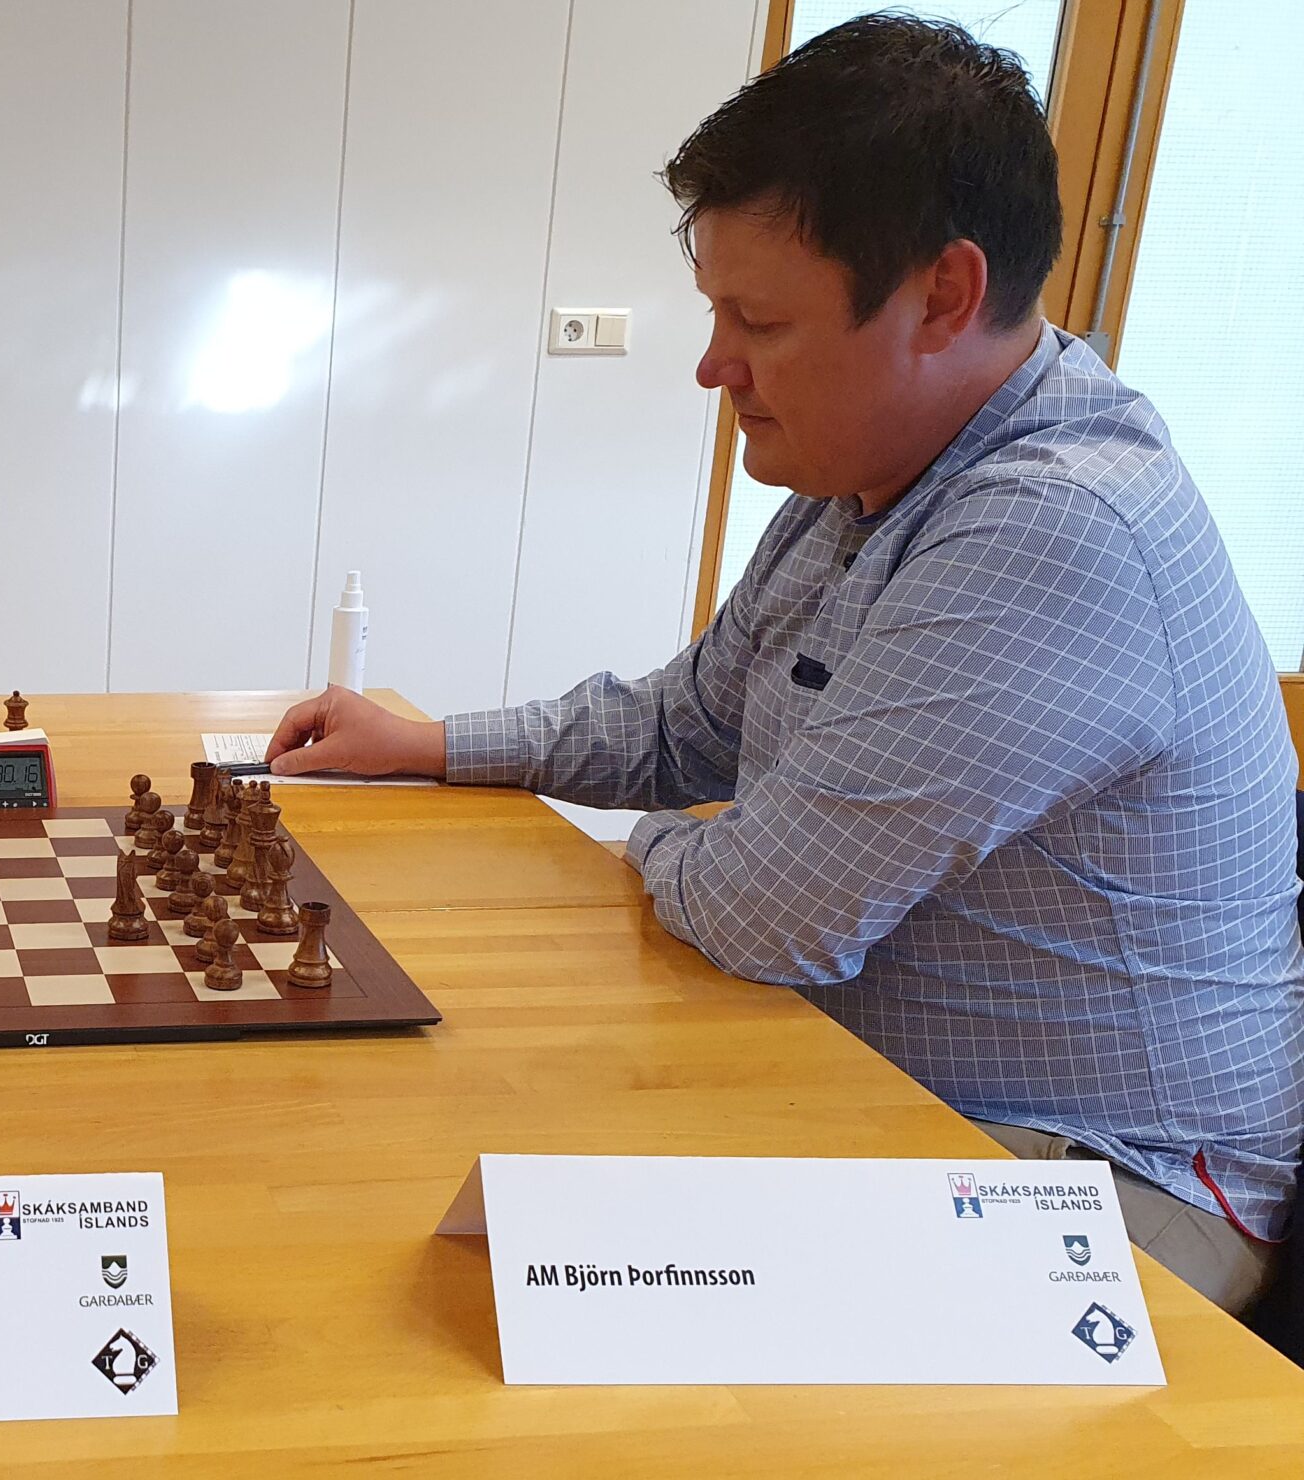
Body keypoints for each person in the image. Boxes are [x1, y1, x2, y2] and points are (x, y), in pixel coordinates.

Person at [270, 15, 1304, 1312]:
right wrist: (427, 745)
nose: (715, 367)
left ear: (944, 297)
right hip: (890, 1089)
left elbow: (768, 915)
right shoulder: (866, 473)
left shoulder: (1056, 526)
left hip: (1105, 1186)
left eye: (757, 320)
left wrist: (652, 847)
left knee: (540, 1286)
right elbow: (687, 726)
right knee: (466, 1209)